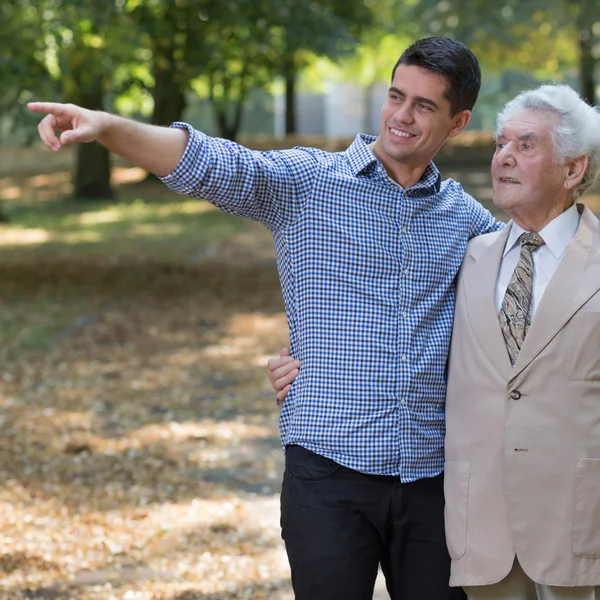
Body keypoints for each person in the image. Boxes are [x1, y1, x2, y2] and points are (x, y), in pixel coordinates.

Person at [29, 36, 502, 600]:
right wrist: (107, 127)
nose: (401, 116)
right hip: (328, 474)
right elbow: (206, 162)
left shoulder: (469, 222)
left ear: (458, 122)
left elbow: (519, 315)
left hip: (432, 481)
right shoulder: (307, 184)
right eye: (396, 96)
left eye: (424, 106)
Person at [269, 83, 600, 599]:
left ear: (573, 168)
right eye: (500, 145)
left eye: (526, 146)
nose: (504, 159)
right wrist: (308, 358)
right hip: (481, 533)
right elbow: (404, 324)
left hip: (579, 529)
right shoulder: (473, 254)